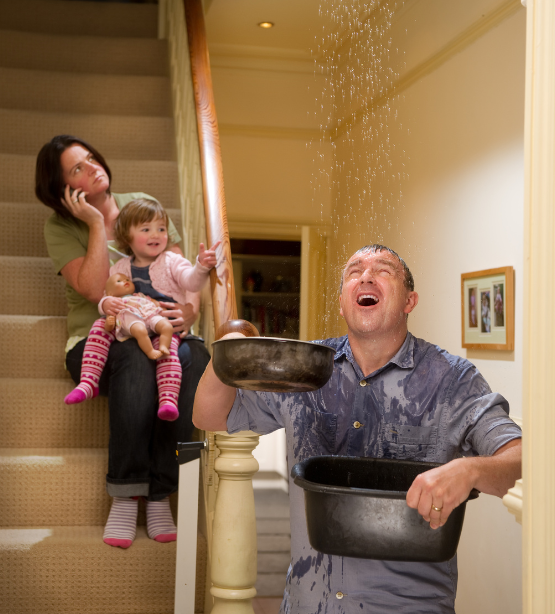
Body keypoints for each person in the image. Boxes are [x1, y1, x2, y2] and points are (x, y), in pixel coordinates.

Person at [193, 244, 522, 613]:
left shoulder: (453, 380)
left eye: (383, 270)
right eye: (354, 272)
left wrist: (470, 469)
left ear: (409, 300)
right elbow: (209, 417)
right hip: (306, 604)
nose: (365, 276)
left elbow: (521, 461)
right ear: (341, 303)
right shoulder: (304, 365)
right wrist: (225, 353)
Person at [36, 134, 212, 549]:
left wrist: (189, 311)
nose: (94, 166)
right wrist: (97, 224)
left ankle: (159, 494)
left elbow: (182, 271)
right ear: (62, 187)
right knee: (134, 356)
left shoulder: (141, 203)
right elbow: (96, 290)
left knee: (196, 356)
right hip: (99, 338)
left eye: (92, 157)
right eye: (77, 167)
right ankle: (127, 492)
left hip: (160, 329)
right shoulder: (61, 226)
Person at [64, 198, 219, 422]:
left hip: (159, 323)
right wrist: (105, 305)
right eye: (146, 229)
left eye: (161, 228)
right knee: (99, 326)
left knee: (167, 351)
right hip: (129, 322)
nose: (156, 234)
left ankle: (167, 399)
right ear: (127, 237)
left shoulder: (172, 261)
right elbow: (108, 295)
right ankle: (88, 381)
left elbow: (191, 282)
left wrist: (201, 267)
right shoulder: (120, 267)